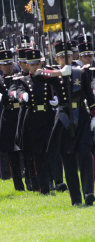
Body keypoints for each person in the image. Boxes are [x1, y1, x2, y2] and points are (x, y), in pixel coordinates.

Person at [33, 41, 95, 206]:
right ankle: (76, 199)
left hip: (81, 117)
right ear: (56, 58)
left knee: (85, 155)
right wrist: (58, 73)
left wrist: (94, 116)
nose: (65, 59)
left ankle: (88, 192)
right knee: (68, 160)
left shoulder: (80, 73)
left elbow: (90, 97)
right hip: (64, 119)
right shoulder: (55, 73)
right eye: (61, 56)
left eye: (68, 55)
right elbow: (38, 75)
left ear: (73, 56)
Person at [13, 49, 60, 195]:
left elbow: (59, 87)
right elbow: (16, 90)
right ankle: (43, 186)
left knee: (50, 151)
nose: (35, 67)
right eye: (32, 65)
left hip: (48, 116)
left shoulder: (48, 77)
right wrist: (21, 95)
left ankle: (56, 181)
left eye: (37, 63)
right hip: (32, 119)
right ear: (26, 65)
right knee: (37, 154)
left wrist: (57, 99)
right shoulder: (23, 80)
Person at [0, 49, 25, 191]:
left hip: (22, 114)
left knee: (26, 150)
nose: (8, 67)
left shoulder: (21, 77)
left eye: (10, 63)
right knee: (12, 154)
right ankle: (18, 184)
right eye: (4, 64)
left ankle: (30, 180)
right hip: (9, 116)